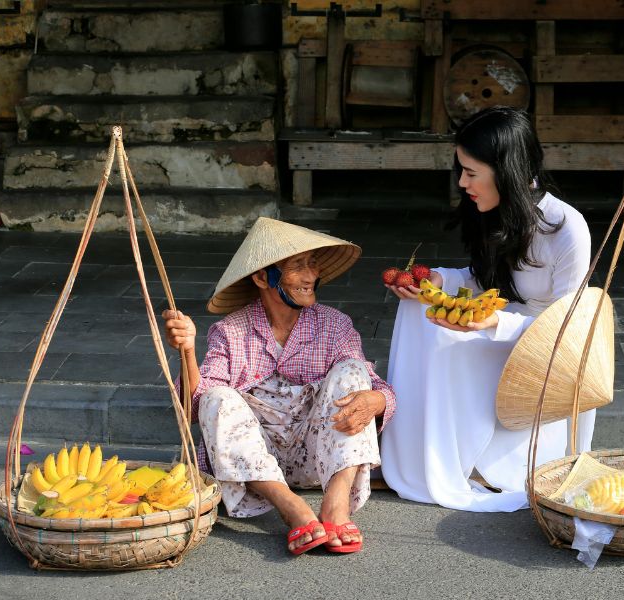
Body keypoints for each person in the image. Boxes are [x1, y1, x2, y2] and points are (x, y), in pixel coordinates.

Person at [380, 106, 594, 512]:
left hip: (540, 348)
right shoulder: (493, 213)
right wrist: (440, 281)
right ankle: (421, 452)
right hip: (496, 326)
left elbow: (568, 329)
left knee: (447, 338)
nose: (463, 182)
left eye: (471, 173)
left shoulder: (567, 229)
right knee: (416, 311)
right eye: (462, 171)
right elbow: (483, 280)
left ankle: (468, 456)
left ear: (505, 171)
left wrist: (496, 323)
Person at [162, 217, 395, 554]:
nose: (311, 275)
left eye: (312, 265)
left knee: (353, 371)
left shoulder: (335, 325)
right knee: (217, 397)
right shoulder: (230, 331)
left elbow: (376, 386)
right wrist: (187, 353)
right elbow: (195, 409)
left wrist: (376, 400)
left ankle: (336, 505)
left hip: (319, 460)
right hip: (257, 467)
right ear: (262, 277)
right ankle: (292, 508)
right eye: (298, 266)